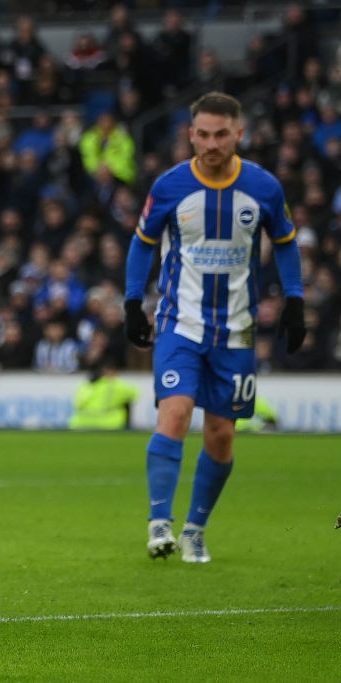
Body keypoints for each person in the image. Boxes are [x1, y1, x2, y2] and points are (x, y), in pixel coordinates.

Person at [124, 92, 306, 564]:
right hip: (179, 323)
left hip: (238, 331)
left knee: (222, 433)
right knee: (177, 413)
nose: (211, 143)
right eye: (202, 134)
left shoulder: (264, 187)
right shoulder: (169, 185)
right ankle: (159, 522)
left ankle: (195, 529)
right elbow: (142, 243)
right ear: (190, 134)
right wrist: (130, 303)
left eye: (221, 134)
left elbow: (285, 243)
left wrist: (295, 299)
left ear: (238, 134)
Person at [68, 357, 139, 430]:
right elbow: (135, 394)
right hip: (109, 424)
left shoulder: (86, 385)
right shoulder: (115, 385)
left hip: (81, 423)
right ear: (111, 371)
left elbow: (77, 403)